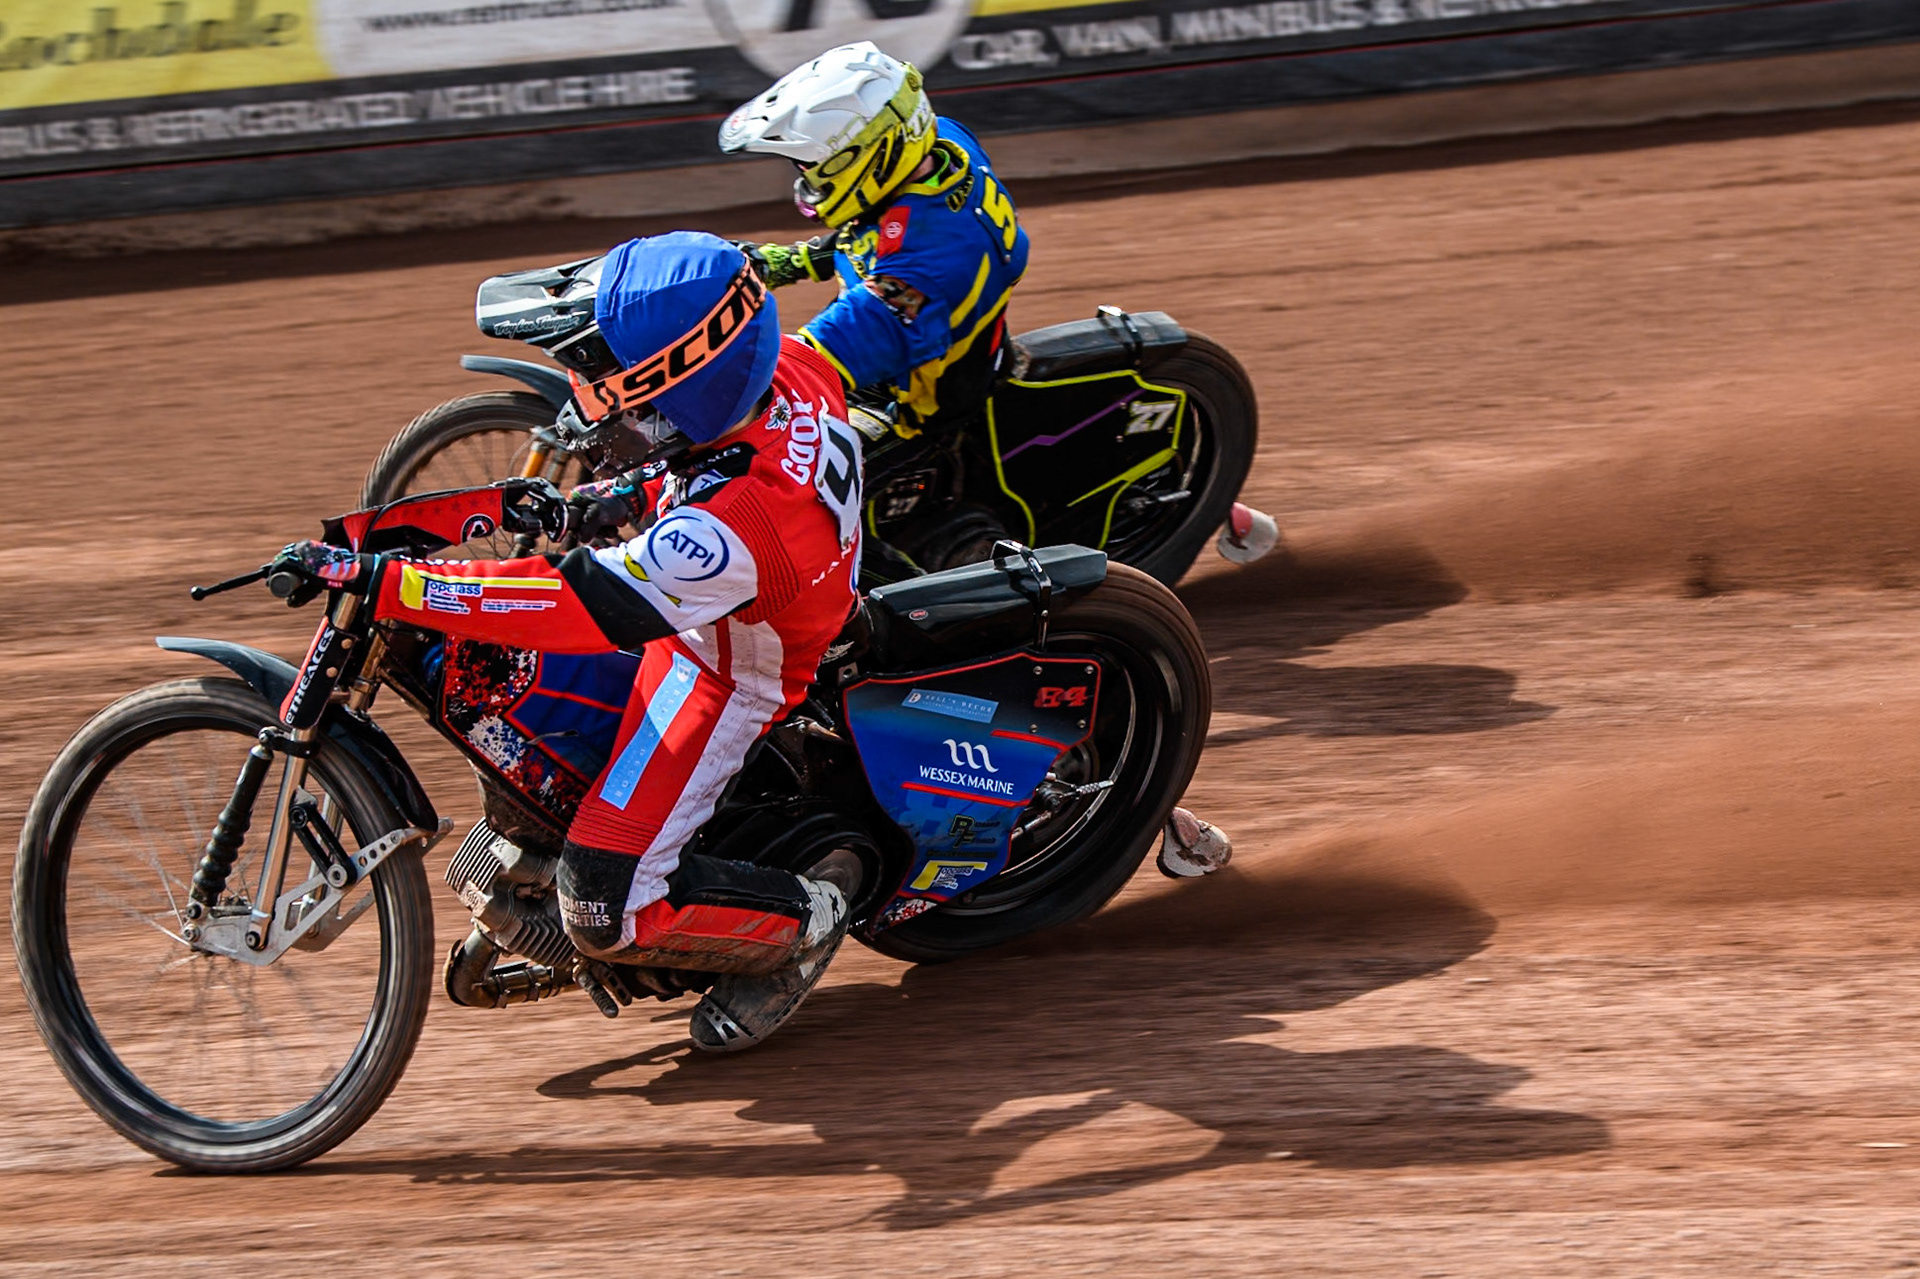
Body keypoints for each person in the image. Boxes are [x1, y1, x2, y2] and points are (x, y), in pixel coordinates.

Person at [273, 231, 866, 1053]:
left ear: (683, 387)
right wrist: (617, 495)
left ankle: (809, 917)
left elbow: (574, 604)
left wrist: (394, 584)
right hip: (733, 595)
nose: (590, 401)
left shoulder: (735, 528)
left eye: (608, 385)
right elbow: (711, 458)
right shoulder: (786, 364)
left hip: (723, 675)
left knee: (603, 904)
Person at [720, 41, 1029, 437]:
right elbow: (879, 234)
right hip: (945, 342)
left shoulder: (916, 277)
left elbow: (802, 368)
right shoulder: (940, 146)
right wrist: (796, 261)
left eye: (811, 164)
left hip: (913, 411)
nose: (805, 176)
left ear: (871, 155)